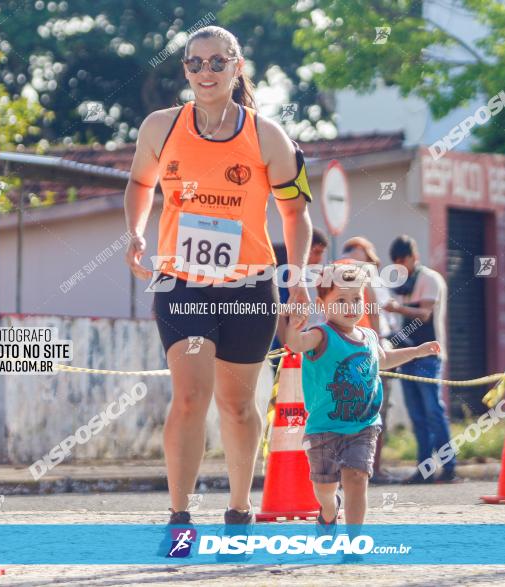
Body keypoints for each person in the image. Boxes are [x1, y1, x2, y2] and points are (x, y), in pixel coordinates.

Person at [122, 25, 314, 535]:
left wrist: (296, 275)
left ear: (237, 67)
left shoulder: (267, 136)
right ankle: (180, 517)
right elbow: (140, 183)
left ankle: (238, 509)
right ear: (184, 69)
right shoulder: (160, 127)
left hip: (250, 286)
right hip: (182, 284)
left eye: (216, 62)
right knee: (190, 397)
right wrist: (136, 232)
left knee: (237, 403)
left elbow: (295, 214)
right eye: (194, 63)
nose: (205, 72)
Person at [282, 264, 441, 533]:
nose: (350, 306)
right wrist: (294, 326)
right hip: (325, 427)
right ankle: (329, 510)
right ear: (322, 304)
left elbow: (386, 359)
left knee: (357, 478)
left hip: (363, 426)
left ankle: (354, 540)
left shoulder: (368, 336)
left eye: (356, 299)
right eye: (341, 300)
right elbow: (295, 345)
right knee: (324, 487)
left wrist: (417, 351)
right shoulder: (320, 335)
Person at [382, 235, 456, 484]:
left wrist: (397, 308)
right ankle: (425, 469)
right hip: (407, 355)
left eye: (404, 261)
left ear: (414, 257)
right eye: (397, 262)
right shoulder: (402, 284)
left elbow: (424, 314)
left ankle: (449, 467)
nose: (401, 266)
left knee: (433, 411)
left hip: (430, 355)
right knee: (417, 415)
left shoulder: (429, 279)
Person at [340, 236, 395, 483]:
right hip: (367, 348)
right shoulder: (368, 273)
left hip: (342, 349)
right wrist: (379, 342)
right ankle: (373, 468)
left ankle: (346, 467)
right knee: (375, 409)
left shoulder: (333, 272)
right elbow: (377, 307)